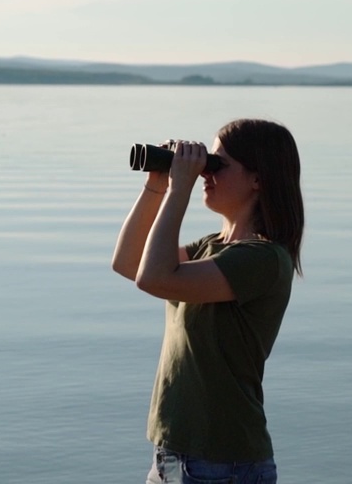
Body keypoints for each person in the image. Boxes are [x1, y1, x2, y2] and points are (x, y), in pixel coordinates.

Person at [112, 118, 304, 484]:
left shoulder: (262, 259)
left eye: (217, 164)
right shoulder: (212, 246)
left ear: (258, 179)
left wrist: (179, 190)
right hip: (176, 454)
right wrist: (157, 185)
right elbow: (128, 263)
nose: (204, 174)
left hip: (221, 463)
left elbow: (154, 278)